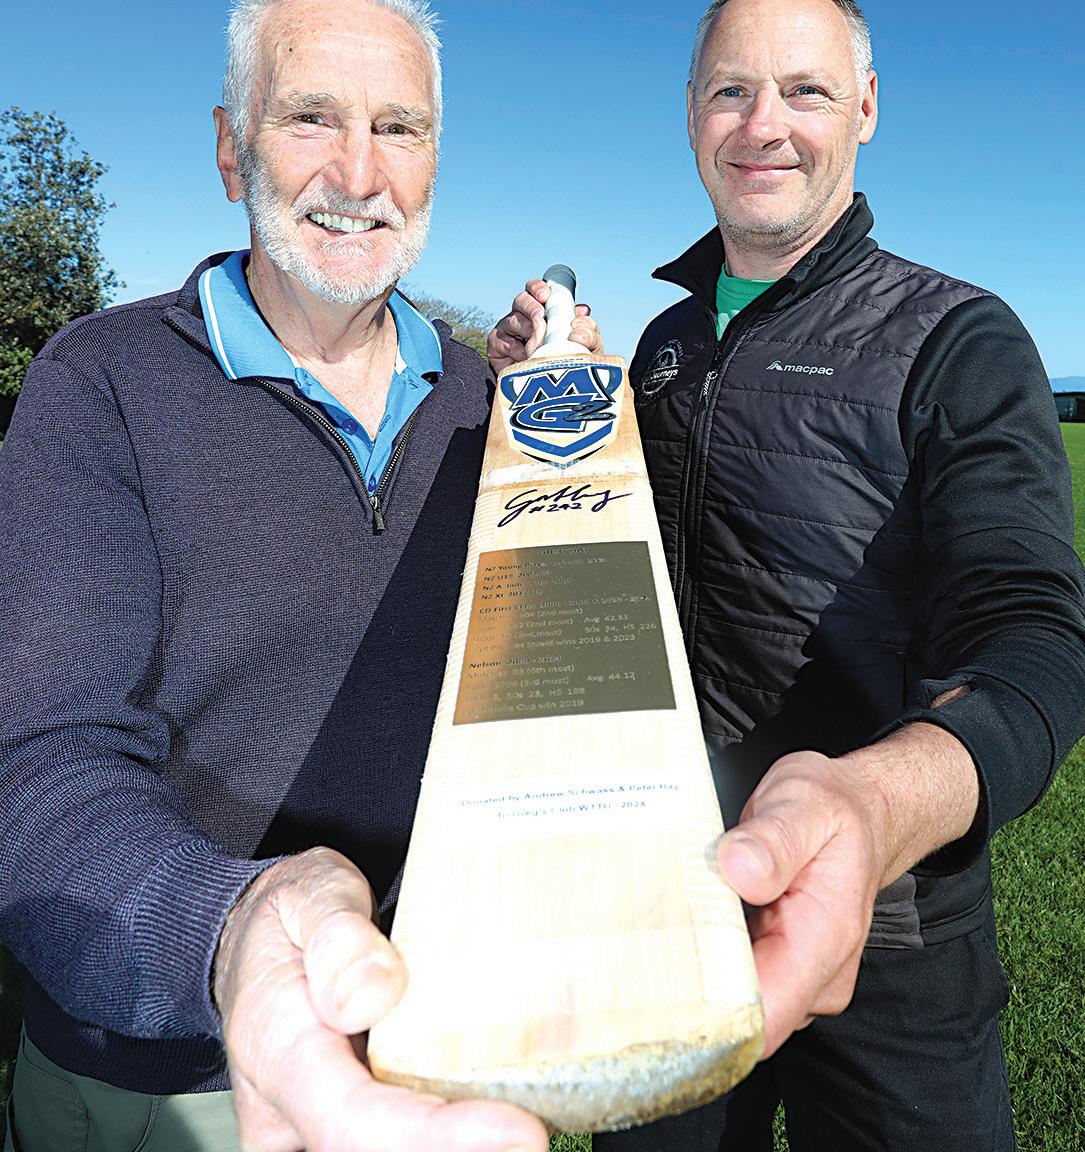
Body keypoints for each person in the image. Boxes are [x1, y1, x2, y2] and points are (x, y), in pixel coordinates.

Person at [488, 0, 1085, 1148]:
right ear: (690, 113)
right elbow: (627, 546)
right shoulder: (664, 344)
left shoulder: (956, 338)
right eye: (731, 90)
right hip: (665, 895)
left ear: (863, 108)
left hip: (889, 920)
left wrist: (873, 805)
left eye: (803, 90)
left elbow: (1031, 637)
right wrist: (561, 397)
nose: (763, 124)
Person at [0, 1, 572, 1149]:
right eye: (311, 116)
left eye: (397, 128)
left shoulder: (480, 407)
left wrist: (567, 427)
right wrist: (233, 930)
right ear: (231, 149)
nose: (357, 173)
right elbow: (39, 767)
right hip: (168, 1075)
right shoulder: (100, 387)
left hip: (421, 1032)